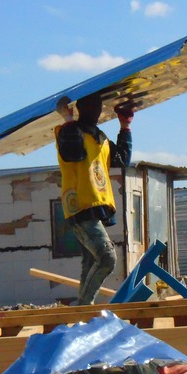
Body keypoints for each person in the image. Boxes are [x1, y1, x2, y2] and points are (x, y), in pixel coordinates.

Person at [54, 92, 133, 305]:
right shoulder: (68, 131)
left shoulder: (100, 137)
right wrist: (68, 119)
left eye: (98, 106)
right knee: (107, 257)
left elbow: (122, 160)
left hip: (96, 205)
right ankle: (84, 308)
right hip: (79, 205)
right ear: (81, 109)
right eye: (91, 106)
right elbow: (73, 153)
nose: (96, 111)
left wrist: (125, 127)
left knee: (90, 262)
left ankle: (82, 313)